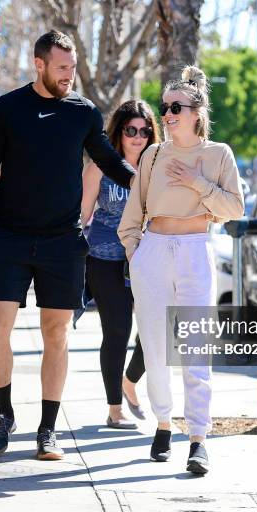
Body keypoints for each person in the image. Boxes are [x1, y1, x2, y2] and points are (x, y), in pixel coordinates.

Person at [0, 30, 135, 460]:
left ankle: (48, 429)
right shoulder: (7, 108)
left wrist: (144, 185)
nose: (70, 75)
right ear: (39, 64)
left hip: (63, 241)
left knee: (57, 335)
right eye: (62, 67)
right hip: (9, 237)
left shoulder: (82, 113)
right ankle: (4, 415)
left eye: (73, 67)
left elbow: (107, 160)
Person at [118, 65, 244, 474]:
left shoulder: (217, 154)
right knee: (154, 347)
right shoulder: (152, 155)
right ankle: (162, 424)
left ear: (196, 112)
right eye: (165, 107)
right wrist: (136, 251)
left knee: (194, 349)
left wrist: (196, 182)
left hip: (194, 250)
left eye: (177, 107)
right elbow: (132, 213)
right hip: (152, 251)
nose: (168, 114)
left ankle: (198, 439)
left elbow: (233, 209)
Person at [81, 100, 160, 428]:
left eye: (145, 131)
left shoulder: (158, 168)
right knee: (117, 332)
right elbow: (82, 215)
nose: (138, 136)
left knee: (155, 333)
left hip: (148, 260)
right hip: (106, 259)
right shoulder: (100, 166)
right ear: (120, 131)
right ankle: (115, 409)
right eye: (131, 130)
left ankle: (129, 380)